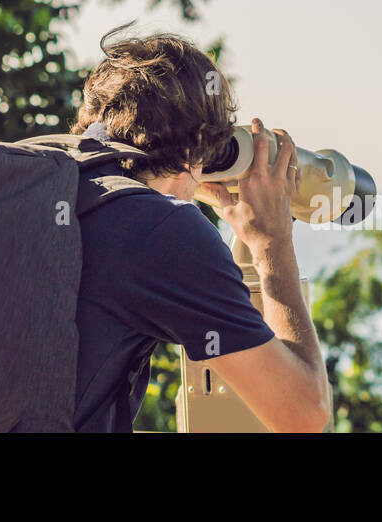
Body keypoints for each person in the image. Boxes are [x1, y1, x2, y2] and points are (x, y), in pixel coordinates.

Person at [68, 26, 330, 432]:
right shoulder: (162, 229)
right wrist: (272, 244)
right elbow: (303, 414)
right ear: (201, 146)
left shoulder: (44, 185)